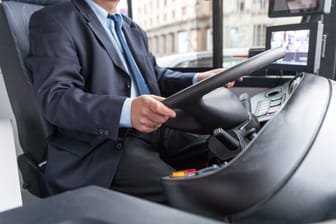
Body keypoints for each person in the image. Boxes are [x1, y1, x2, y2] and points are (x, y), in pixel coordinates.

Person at [27, 0, 231, 203]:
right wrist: (126, 111)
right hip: (104, 147)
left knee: (226, 153)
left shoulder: (131, 27)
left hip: (159, 128)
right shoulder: (55, 20)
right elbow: (56, 98)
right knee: (189, 194)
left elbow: (155, 77)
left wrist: (198, 79)